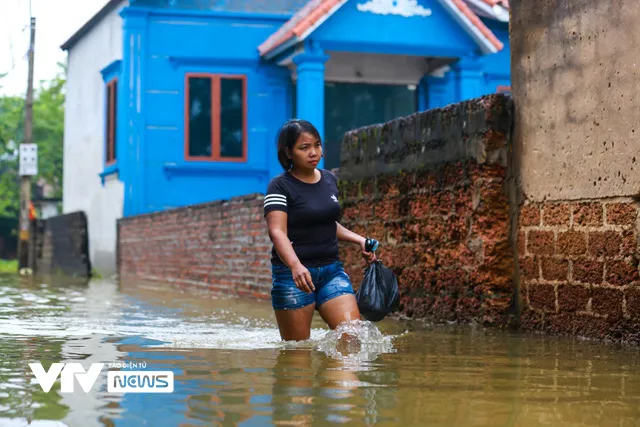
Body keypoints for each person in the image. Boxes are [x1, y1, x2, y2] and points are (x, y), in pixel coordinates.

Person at [263, 119, 378, 342]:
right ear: (288, 152)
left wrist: (360, 240)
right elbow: (277, 231)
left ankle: (337, 377)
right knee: (298, 354)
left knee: (351, 339)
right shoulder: (279, 186)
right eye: (304, 148)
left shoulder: (329, 179)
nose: (314, 152)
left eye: (317, 145)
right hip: (292, 277)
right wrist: (295, 265)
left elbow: (325, 223)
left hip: (331, 272)